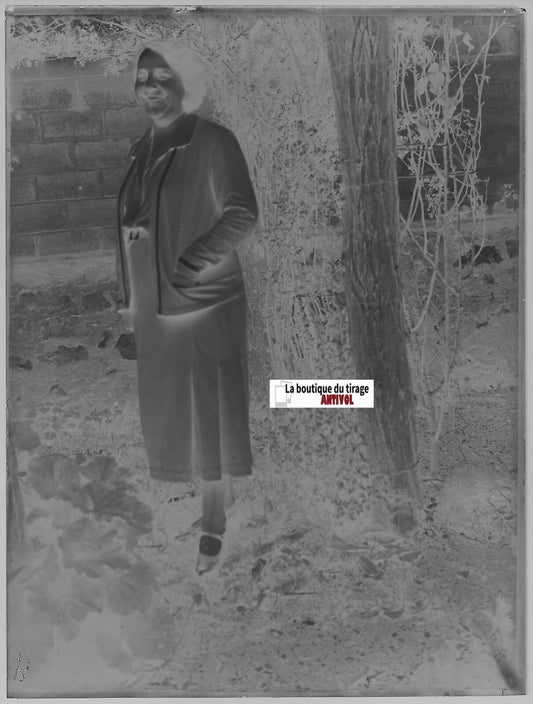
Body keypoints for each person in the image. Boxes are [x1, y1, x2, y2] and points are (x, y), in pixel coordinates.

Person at [115, 40, 258, 574]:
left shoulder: (213, 140)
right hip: (154, 303)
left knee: (209, 403)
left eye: (162, 76)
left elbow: (242, 213)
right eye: (142, 77)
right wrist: (130, 294)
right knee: (173, 405)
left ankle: (215, 518)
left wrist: (192, 260)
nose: (150, 86)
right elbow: (135, 222)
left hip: (203, 298)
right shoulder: (140, 148)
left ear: (185, 84)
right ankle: (214, 497)